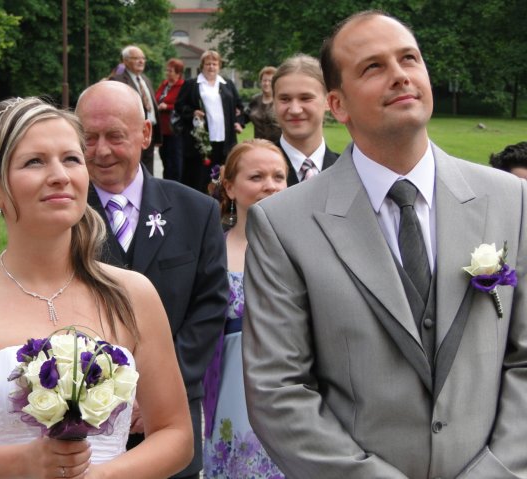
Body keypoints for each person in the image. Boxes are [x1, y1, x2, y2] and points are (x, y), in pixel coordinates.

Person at [243, 10, 527, 479]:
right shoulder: (283, 224)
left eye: (409, 59)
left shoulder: (511, 200)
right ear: (338, 105)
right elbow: (279, 390)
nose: (400, 75)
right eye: (373, 67)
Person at [0, 97, 193, 478]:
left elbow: (176, 435)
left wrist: (103, 475)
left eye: (71, 159)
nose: (60, 175)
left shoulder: (132, 295)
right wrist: (23, 463)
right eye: (35, 162)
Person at [77, 81, 228, 479]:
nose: (101, 151)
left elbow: (209, 306)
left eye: (115, 136)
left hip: (169, 418)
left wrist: (159, 392)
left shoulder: (197, 211)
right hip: (84, 426)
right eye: (89, 138)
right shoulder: (63, 216)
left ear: (145, 134)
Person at [202, 140, 286, 478]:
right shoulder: (213, 252)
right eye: (256, 177)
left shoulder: (304, 250)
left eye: (278, 176)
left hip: (291, 392)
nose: (270, 185)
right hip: (232, 390)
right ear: (230, 188)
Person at [175, 50, 245, 193]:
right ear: (202, 66)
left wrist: (239, 122)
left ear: (219, 66)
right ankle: (199, 201)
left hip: (225, 139)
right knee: (200, 177)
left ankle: (222, 201)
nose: (211, 67)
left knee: (224, 174)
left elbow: (239, 107)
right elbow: (179, 106)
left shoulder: (227, 84)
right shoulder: (192, 84)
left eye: (214, 64)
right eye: (208, 64)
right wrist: (193, 113)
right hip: (201, 141)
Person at [272, 54, 338, 186]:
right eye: (285, 99)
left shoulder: (352, 171)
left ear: (328, 101)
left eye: (305, 98)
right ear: (274, 103)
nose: (295, 110)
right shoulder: (253, 171)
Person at [109, 45, 161, 175]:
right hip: (132, 131)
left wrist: (157, 135)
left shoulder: (145, 80)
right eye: (136, 58)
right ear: (125, 61)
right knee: (134, 168)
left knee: (149, 169)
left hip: (149, 130)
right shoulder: (117, 80)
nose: (141, 61)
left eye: (143, 58)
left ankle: (148, 187)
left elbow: (153, 106)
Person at [155, 58, 185, 181]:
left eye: (170, 71)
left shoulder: (182, 86)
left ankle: (177, 184)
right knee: (165, 159)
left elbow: (183, 105)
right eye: (166, 70)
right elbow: (156, 98)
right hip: (163, 129)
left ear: (178, 73)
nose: (167, 73)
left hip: (175, 130)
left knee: (175, 161)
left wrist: (167, 107)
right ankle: (166, 183)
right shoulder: (164, 85)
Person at [246, 66, 281, 144]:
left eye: (270, 81)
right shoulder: (255, 99)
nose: (266, 83)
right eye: (264, 80)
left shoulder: (281, 100)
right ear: (260, 82)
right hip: (259, 144)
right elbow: (245, 116)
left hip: (278, 145)